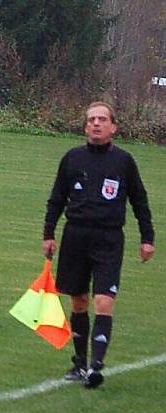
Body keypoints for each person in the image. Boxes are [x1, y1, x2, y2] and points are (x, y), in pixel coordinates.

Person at [42, 101, 154, 389]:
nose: (96, 124)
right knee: (79, 300)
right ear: (85, 126)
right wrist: (49, 234)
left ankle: (97, 365)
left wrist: (147, 238)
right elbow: (57, 198)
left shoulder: (124, 162)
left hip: (108, 239)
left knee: (103, 300)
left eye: (102, 119)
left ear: (113, 127)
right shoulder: (72, 159)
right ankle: (79, 363)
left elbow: (139, 201)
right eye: (91, 119)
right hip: (75, 236)